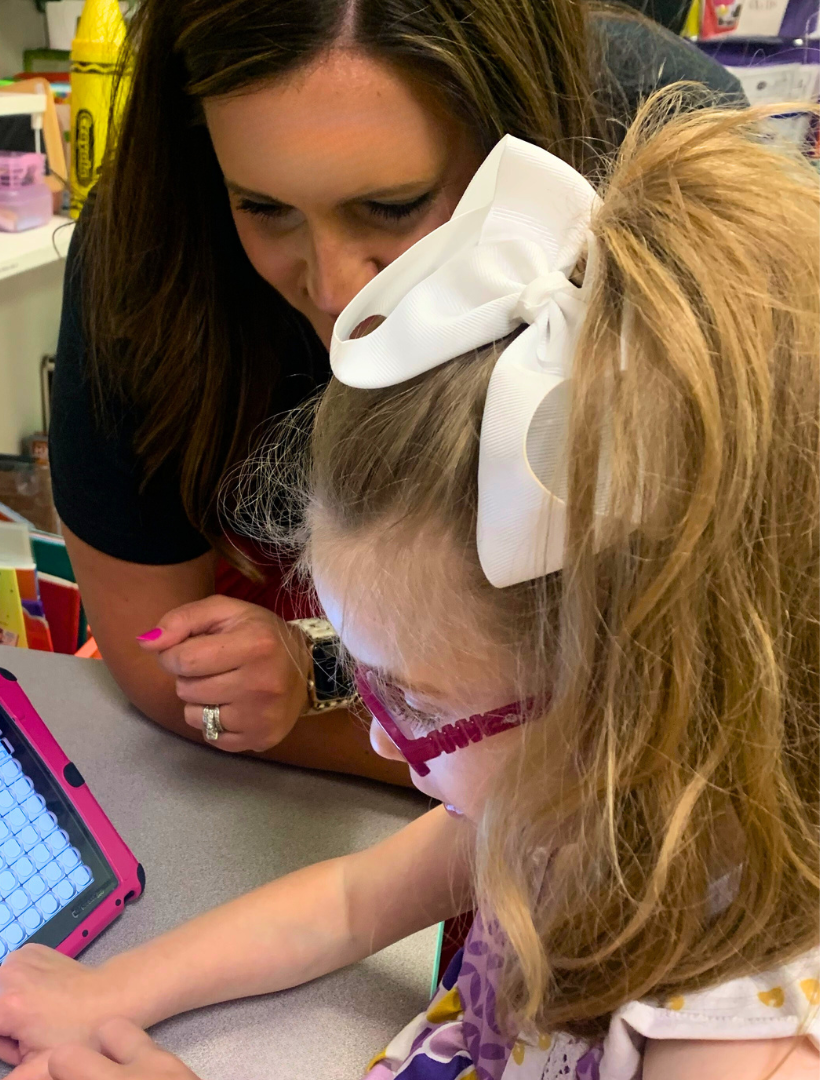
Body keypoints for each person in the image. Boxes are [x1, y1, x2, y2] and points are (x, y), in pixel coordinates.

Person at [0, 95, 819, 1079]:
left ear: (637, 686)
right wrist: (106, 993)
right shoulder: (561, 797)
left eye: (416, 699)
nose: (376, 735)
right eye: (355, 664)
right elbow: (342, 905)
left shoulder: (740, 1035)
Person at [48, 0, 743, 780]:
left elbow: (707, 698)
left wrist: (456, 758)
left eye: (392, 206)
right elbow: (167, 668)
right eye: (264, 208)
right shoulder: (150, 252)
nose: (337, 293)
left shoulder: (665, 153)